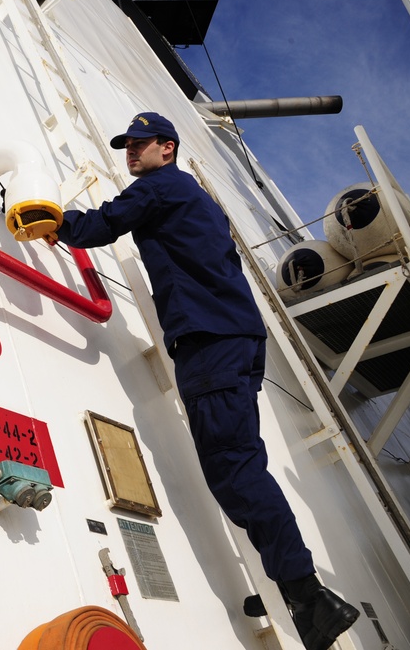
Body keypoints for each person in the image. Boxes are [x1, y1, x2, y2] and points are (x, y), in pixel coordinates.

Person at [52, 112, 359, 650]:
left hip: (209, 343)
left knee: (235, 471)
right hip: (235, 342)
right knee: (241, 465)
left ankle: (311, 597)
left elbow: (98, 226)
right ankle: (303, 595)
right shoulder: (198, 199)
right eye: (127, 145)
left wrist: (51, 220)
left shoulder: (159, 187)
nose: (131, 152)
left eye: (141, 144)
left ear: (166, 149)